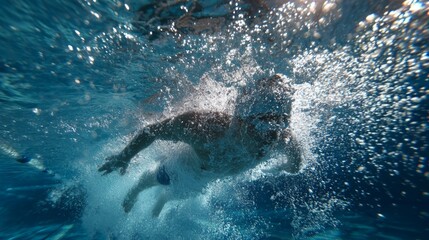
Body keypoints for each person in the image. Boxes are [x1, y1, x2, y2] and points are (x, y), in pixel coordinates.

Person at [98, 74, 302, 216]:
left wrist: (285, 168)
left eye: (278, 127)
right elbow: (153, 131)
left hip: (212, 175)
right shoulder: (206, 128)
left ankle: (164, 200)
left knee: (186, 193)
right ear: (242, 122)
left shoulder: (280, 138)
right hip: (187, 166)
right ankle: (136, 190)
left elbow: (295, 163)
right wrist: (124, 156)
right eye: (263, 130)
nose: (269, 139)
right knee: (160, 179)